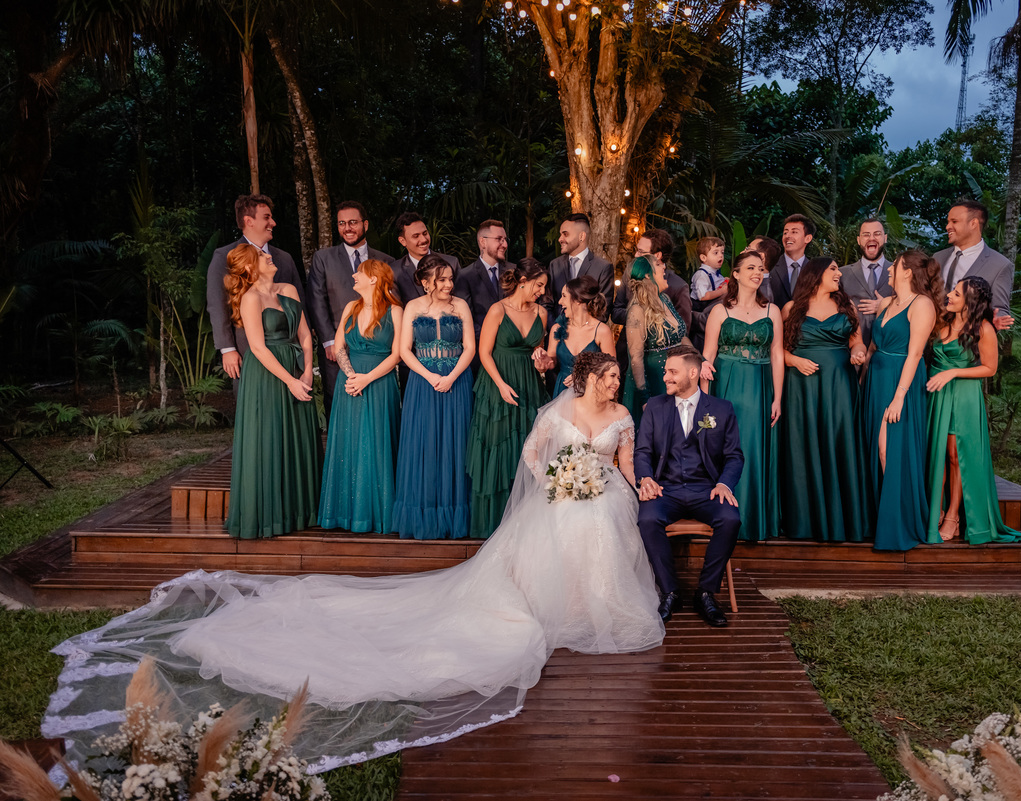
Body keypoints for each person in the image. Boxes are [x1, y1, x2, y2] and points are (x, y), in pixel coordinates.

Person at [47, 352, 664, 774]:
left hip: (603, 493)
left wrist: (631, 486)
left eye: (615, 377)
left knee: (606, 532)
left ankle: (592, 608)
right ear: (586, 379)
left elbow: (628, 463)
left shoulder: (621, 417)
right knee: (564, 529)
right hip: (560, 495)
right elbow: (534, 457)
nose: (614, 384)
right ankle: (554, 603)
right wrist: (556, 485)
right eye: (608, 377)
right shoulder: (556, 413)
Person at [635, 346, 744, 627]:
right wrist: (646, 478)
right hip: (665, 489)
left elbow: (734, 456)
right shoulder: (654, 408)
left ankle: (706, 592)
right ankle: (670, 591)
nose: (666, 377)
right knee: (648, 518)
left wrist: (723, 484)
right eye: (666, 371)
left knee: (730, 518)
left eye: (673, 372)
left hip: (705, 489)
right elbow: (643, 452)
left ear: (693, 373)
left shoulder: (721, 409)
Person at [222, 243, 322, 539]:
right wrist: (288, 381)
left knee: (298, 437)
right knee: (269, 438)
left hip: (295, 367)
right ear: (251, 267)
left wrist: (305, 371)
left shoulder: (289, 289)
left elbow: (304, 334)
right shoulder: (250, 298)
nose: (269, 256)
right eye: (263, 256)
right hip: (266, 375)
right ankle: (269, 517)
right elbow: (256, 347)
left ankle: (301, 512)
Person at [926, 276, 1021, 544]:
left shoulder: (983, 328)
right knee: (936, 453)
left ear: (970, 302)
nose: (949, 295)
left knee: (956, 455)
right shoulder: (942, 319)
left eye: (956, 293)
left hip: (963, 396)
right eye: (951, 291)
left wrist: (952, 372)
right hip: (935, 396)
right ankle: (933, 511)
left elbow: (990, 368)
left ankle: (953, 515)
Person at [778, 257, 870, 542]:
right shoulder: (791, 309)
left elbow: (857, 340)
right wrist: (793, 360)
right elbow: (776, 350)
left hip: (839, 384)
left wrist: (858, 352)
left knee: (839, 441)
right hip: (801, 386)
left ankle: (844, 520)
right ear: (815, 274)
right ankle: (806, 521)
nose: (839, 273)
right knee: (804, 445)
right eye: (832, 269)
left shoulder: (846, 306)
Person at [858, 250, 940, 551]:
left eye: (894, 266)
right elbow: (872, 343)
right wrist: (862, 370)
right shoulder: (889, 302)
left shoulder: (923, 305)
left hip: (900, 380)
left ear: (907, 271)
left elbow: (916, 354)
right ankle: (879, 518)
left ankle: (901, 522)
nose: (889, 269)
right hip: (876, 379)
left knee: (888, 449)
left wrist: (899, 397)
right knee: (873, 447)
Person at [702, 250, 784, 542]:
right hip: (728, 385)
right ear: (735, 274)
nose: (756, 273)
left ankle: (754, 522)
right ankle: (725, 520)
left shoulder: (772, 311)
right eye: (750, 268)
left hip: (761, 387)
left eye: (760, 268)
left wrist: (777, 398)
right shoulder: (720, 311)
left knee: (754, 450)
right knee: (726, 448)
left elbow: (776, 355)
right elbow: (707, 358)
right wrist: (704, 404)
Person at [318, 258, 404, 534]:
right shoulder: (350, 308)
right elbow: (339, 347)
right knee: (350, 443)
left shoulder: (395, 311)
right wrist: (352, 376)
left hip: (379, 382)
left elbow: (397, 354)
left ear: (374, 279)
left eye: (360, 273)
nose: (354, 275)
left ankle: (378, 515)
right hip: (350, 383)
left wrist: (367, 378)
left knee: (377, 443)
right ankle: (344, 513)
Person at [393, 255, 476, 539]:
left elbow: (469, 348)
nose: (449, 284)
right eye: (442, 279)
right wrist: (430, 377)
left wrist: (451, 378)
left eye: (450, 279)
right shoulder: (413, 307)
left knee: (456, 443)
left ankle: (454, 515)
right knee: (424, 443)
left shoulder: (461, 305)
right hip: (423, 383)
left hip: (457, 381)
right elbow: (405, 350)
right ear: (426, 282)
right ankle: (424, 514)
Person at [466, 258, 550, 537]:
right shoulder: (497, 310)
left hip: (529, 387)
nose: (541, 292)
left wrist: (541, 360)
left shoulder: (541, 313)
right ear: (523, 282)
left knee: (528, 450)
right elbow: (484, 353)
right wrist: (500, 385)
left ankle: (525, 526)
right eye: (538, 285)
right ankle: (494, 525)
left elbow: (540, 356)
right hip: (498, 385)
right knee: (500, 449)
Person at [307, 201, 414, 418]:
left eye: (353, 222)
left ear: (365, 224)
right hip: (339, 345)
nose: (347, 228)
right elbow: (316, 299)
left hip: (379, 348)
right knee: (337, 401)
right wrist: (329, 341)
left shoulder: (386, 260)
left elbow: (393, 300)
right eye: (342, 223)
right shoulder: (323, 258)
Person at [206, 194, 305, 385]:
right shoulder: (223, 256)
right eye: (266, 217)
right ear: (248, 221)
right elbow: (217, 305)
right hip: (246, 351)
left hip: (289, 350)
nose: (273, 222)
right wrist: (227, 348)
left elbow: (300, 302)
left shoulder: (284, 258)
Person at [622, 256, 705, 429]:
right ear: (647, 276)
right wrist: (645, 398)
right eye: (658, 265)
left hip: (677, 378)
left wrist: (700, 361)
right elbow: (635, 358)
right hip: (655, 382)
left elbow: (680, 336)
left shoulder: (665, 299)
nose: (664, 267)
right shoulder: (637, 310)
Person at [932, 199, 1015, 330]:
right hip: (930, 338)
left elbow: (1000, 309)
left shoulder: (1000, 265)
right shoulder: (937, 258)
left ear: (973, 223)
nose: (947, 227)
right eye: (948, 222)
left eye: (954, 221)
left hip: (966, 343)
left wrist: (996, 321)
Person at [537, 275, 616, 397]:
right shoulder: (557, 328)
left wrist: (583, 377)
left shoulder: (601, 331)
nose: (559, 302)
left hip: (591, 394)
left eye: (564, 296)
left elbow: (611, 369)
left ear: (578, 300)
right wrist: (544, 362)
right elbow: (551, 361)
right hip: (562, 392)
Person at [611, 229, 693, 331]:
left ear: (657, 255)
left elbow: (683, 329)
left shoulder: (678, 286)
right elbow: (616, 313)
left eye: (641, 252)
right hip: (627, 343)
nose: (636, 255)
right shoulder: (629, 274)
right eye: (637, 250)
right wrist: (640, 315)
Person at [545, 213, 615, 321]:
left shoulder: (603, 267)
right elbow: (546, 304)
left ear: (581, 236)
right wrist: (556, 330)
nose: (560, 239)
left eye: (565, 234)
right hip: (557, 334)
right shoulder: (554, 265)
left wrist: (581, 333)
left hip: (588, 335)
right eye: (560, 234)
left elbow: (603, 312)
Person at [840, 218, 895, 349]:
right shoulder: (841, 274)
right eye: (866, 234)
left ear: (885, 238)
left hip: (888, 348)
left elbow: (914, 303)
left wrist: (887, 305)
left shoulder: (900, 271)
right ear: (859, 240)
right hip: (850, 350)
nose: (872, 238)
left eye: (877, 234)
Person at [458, 219, 514, 343]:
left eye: (505, 239)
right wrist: (491, 339)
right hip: (481, 346)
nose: (504, 245)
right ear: (483, 242)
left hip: (514, 346)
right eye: (499, 239)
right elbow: (466, 319)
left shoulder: (515, 271)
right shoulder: (465, 276)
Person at [394, 211, 462, 303]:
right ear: (403, 241)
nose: (423, 240)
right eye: (416, 236)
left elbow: (461, 300)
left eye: (425, 233)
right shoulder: (394, 271)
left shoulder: (452, 262)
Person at [764, 214, 815, 305]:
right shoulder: (769, 265)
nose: (788, 236)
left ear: (808, 238)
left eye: (794, 232)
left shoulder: (815, 270)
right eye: (785, 232)